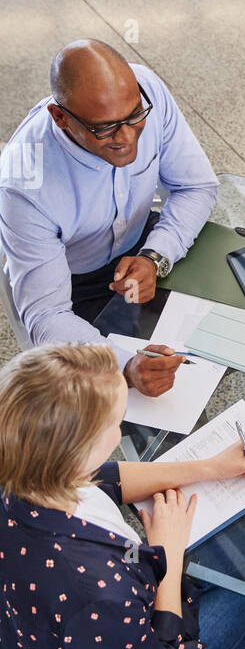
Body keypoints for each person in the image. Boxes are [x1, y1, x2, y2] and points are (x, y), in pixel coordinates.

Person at [0, 342, 245, 649]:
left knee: (234, 549)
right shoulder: (95, 591)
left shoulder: (26, 473)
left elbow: (106, 479)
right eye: (116, 424)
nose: (120, 431)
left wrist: (210, 467)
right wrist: (167, 555)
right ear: (77, 453)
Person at [0, 40, 219, 398]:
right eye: (105, 128)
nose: (128, 138)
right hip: (74, 286)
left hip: (144, 243)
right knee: (159, 404)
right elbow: (45, 316)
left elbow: (196, 187)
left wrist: (154, 257)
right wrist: (123, 365)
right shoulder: (23, 185)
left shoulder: (145, 89)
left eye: (134, 117)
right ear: (60, 118)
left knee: (229, 335)